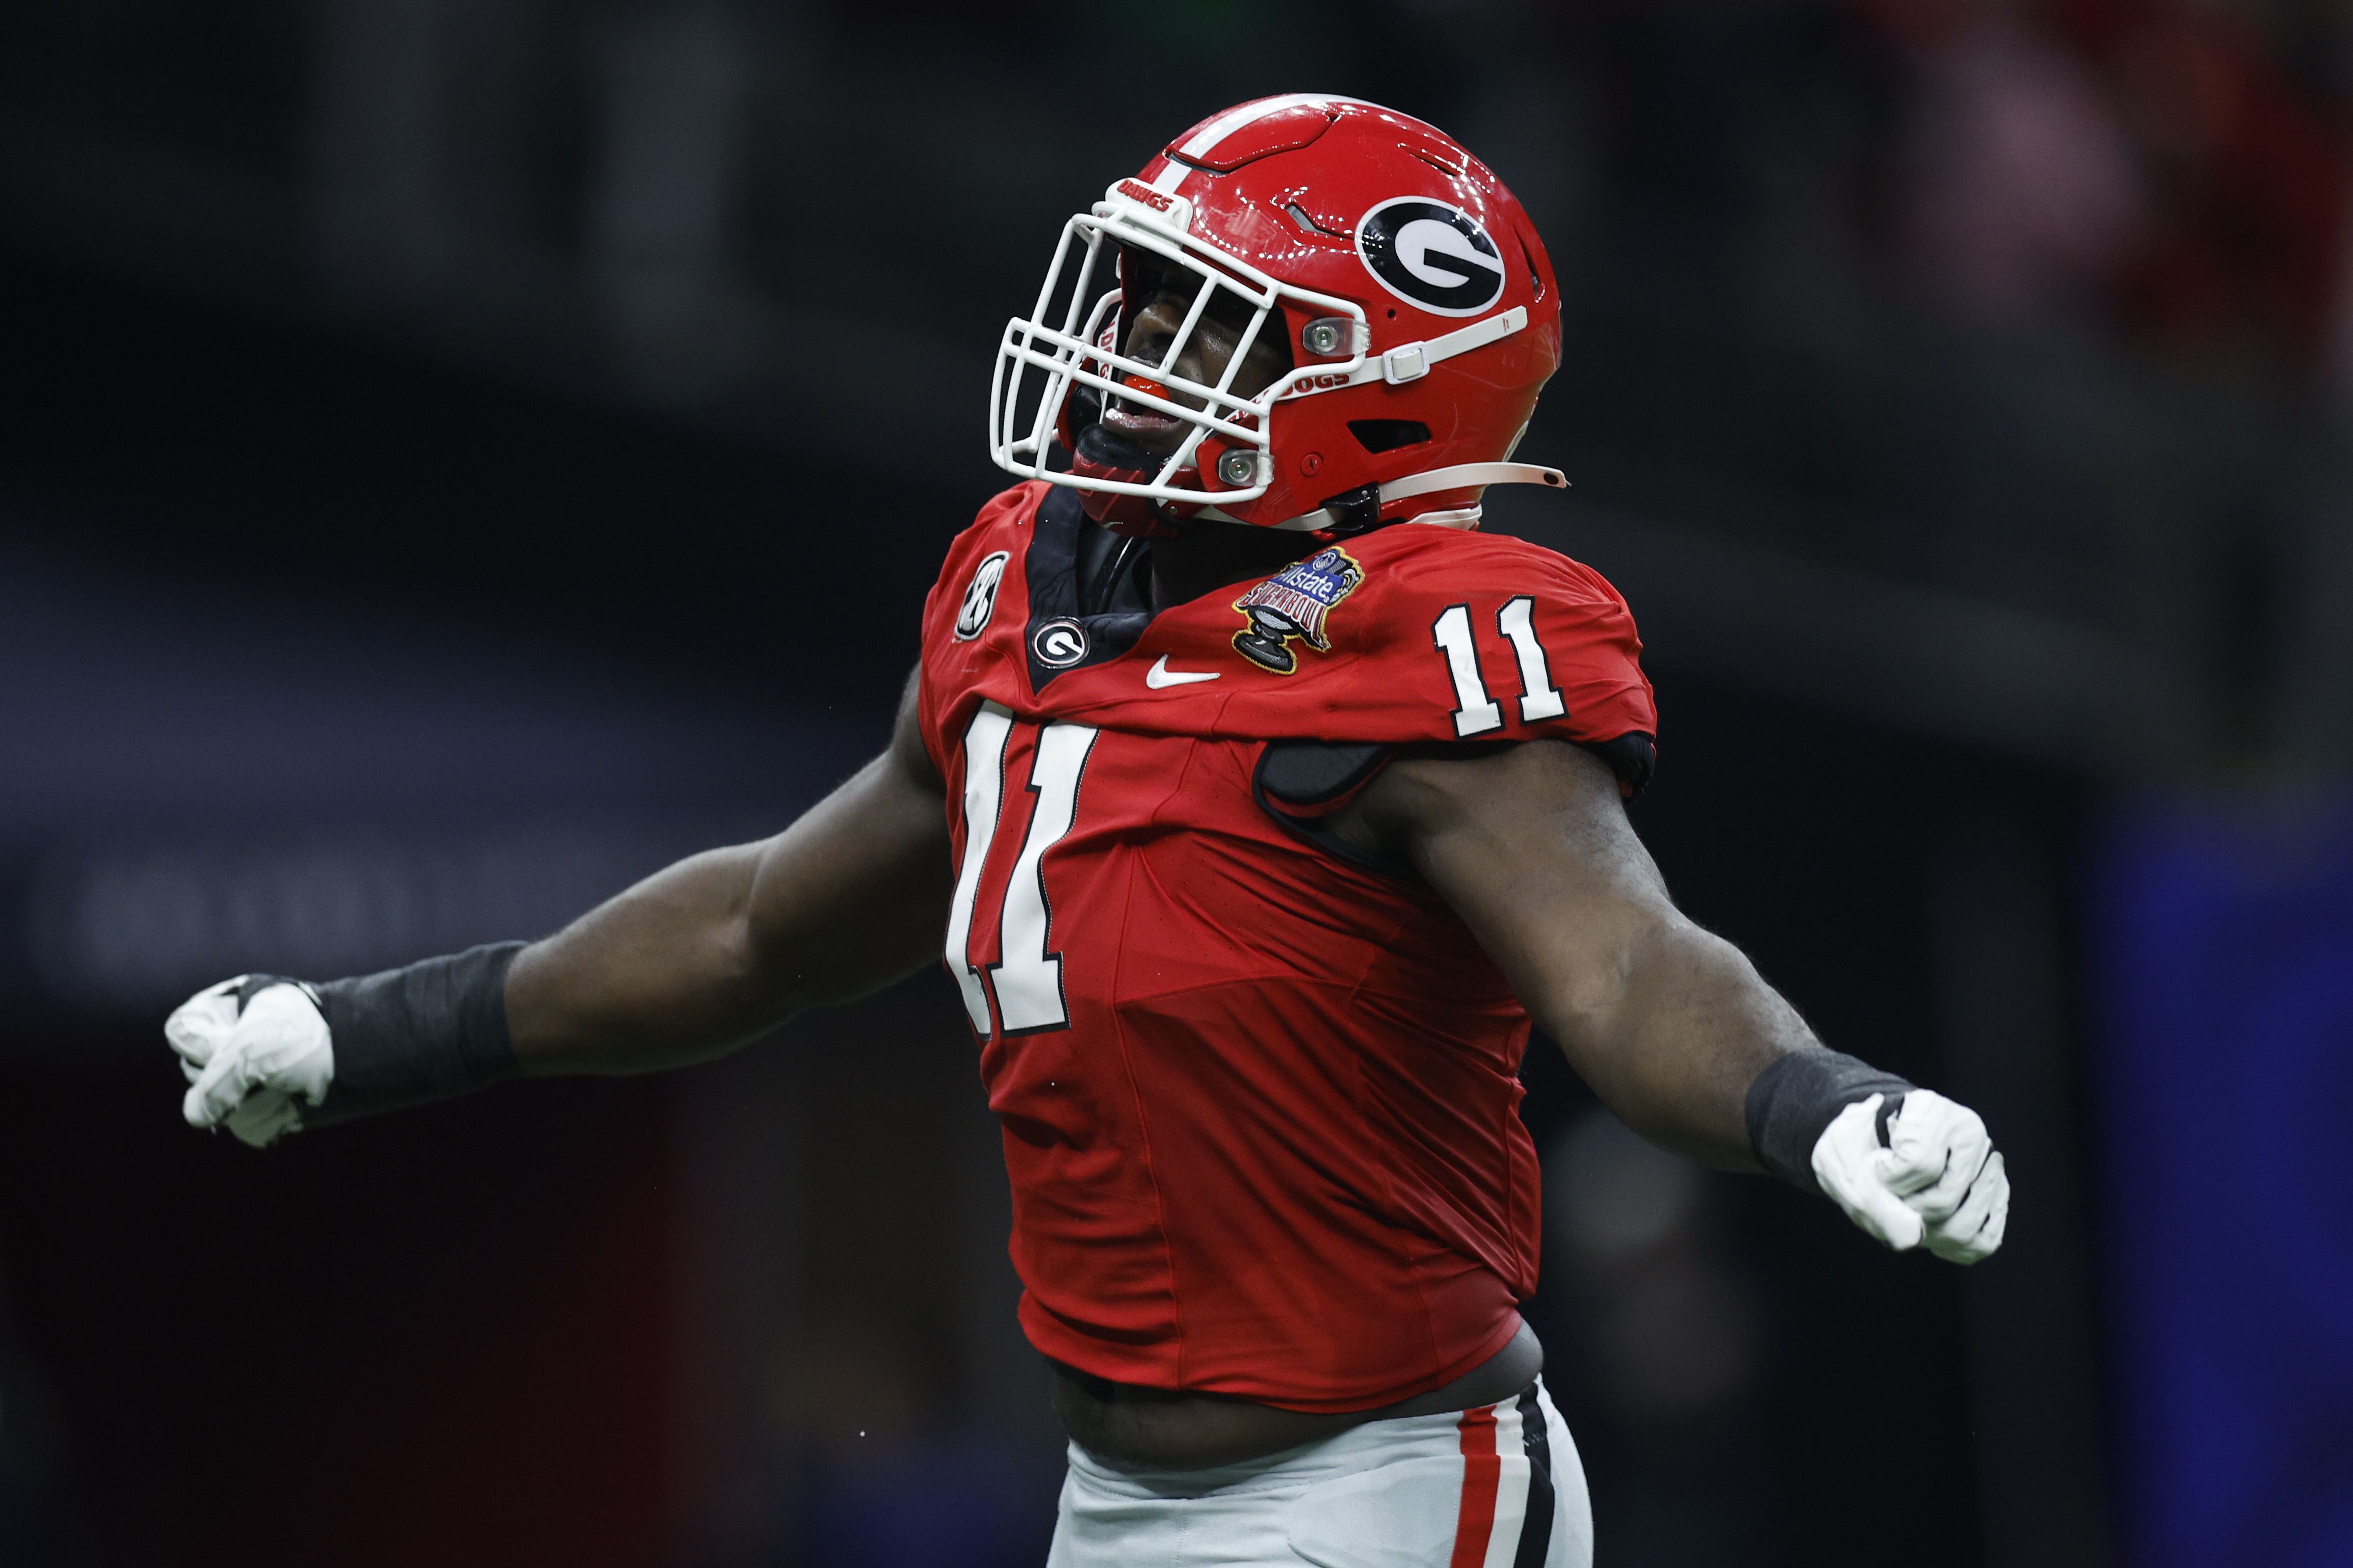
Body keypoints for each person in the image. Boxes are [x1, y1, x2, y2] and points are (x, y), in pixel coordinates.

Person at [162, 96, 2008, 1566]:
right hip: (1118, 1506)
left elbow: (1625, 968)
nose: (1124, 346)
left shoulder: (1422, 644)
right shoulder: (1025, 585)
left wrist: (1817, 1101)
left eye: (1200, 318)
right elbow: (763, 930)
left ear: (1374, 397)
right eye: (1131, 294)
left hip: (1383, 1492)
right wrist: (375, 1029)